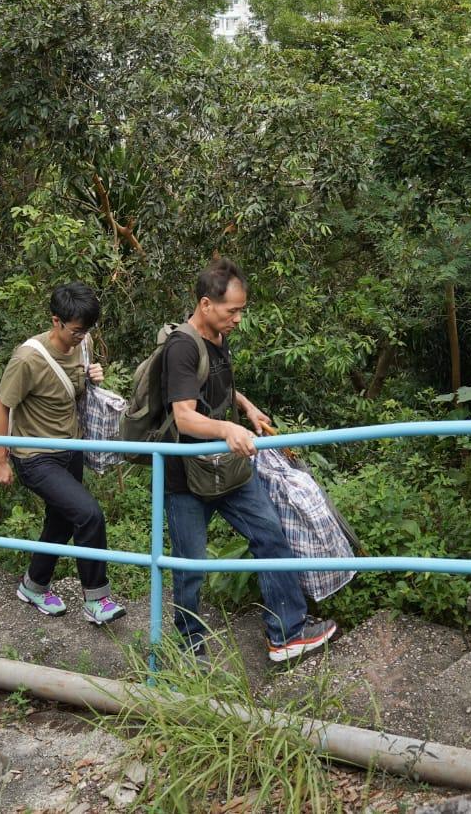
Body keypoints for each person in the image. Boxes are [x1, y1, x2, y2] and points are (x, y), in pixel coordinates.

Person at [161, 258, 337, 664]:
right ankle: (190, 650)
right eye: (232, 311)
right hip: (186, 474)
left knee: (271, 536)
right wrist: (226, 430)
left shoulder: (218, 338)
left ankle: (287, 634)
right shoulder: (182, 347)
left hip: (230, 466)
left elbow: (218, 385)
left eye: (241, 310)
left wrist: (246, 408)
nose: (238, 319)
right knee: (190, 565)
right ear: (206, 304)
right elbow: (184, 414)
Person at [0, 283, 126, 625]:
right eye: (76, 330)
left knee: (61, 521)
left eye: (87, 330)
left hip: (72, 448)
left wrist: (95, 375)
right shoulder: (28, 358)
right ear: (56, 320)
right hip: (35, 455)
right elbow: (2, 405)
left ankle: (33, 585)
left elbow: (80, 390)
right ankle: (97, 599)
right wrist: (0, 460)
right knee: (88, 514)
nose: (82, 337)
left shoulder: (85, 344)